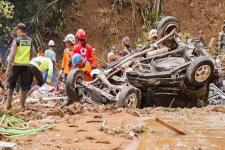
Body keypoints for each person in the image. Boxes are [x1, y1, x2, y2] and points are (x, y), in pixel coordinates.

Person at [6, 23, 34, 110]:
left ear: (19, 30)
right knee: (24, 85)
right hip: (26, 66)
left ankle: (8, 104)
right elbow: (32, 54)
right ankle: (22, 106)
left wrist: (8, 68)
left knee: (11, 84)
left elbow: (12, 55)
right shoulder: (30, 40)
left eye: (16, 30)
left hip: (16, 65)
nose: (16, 32)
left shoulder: (16, 40)